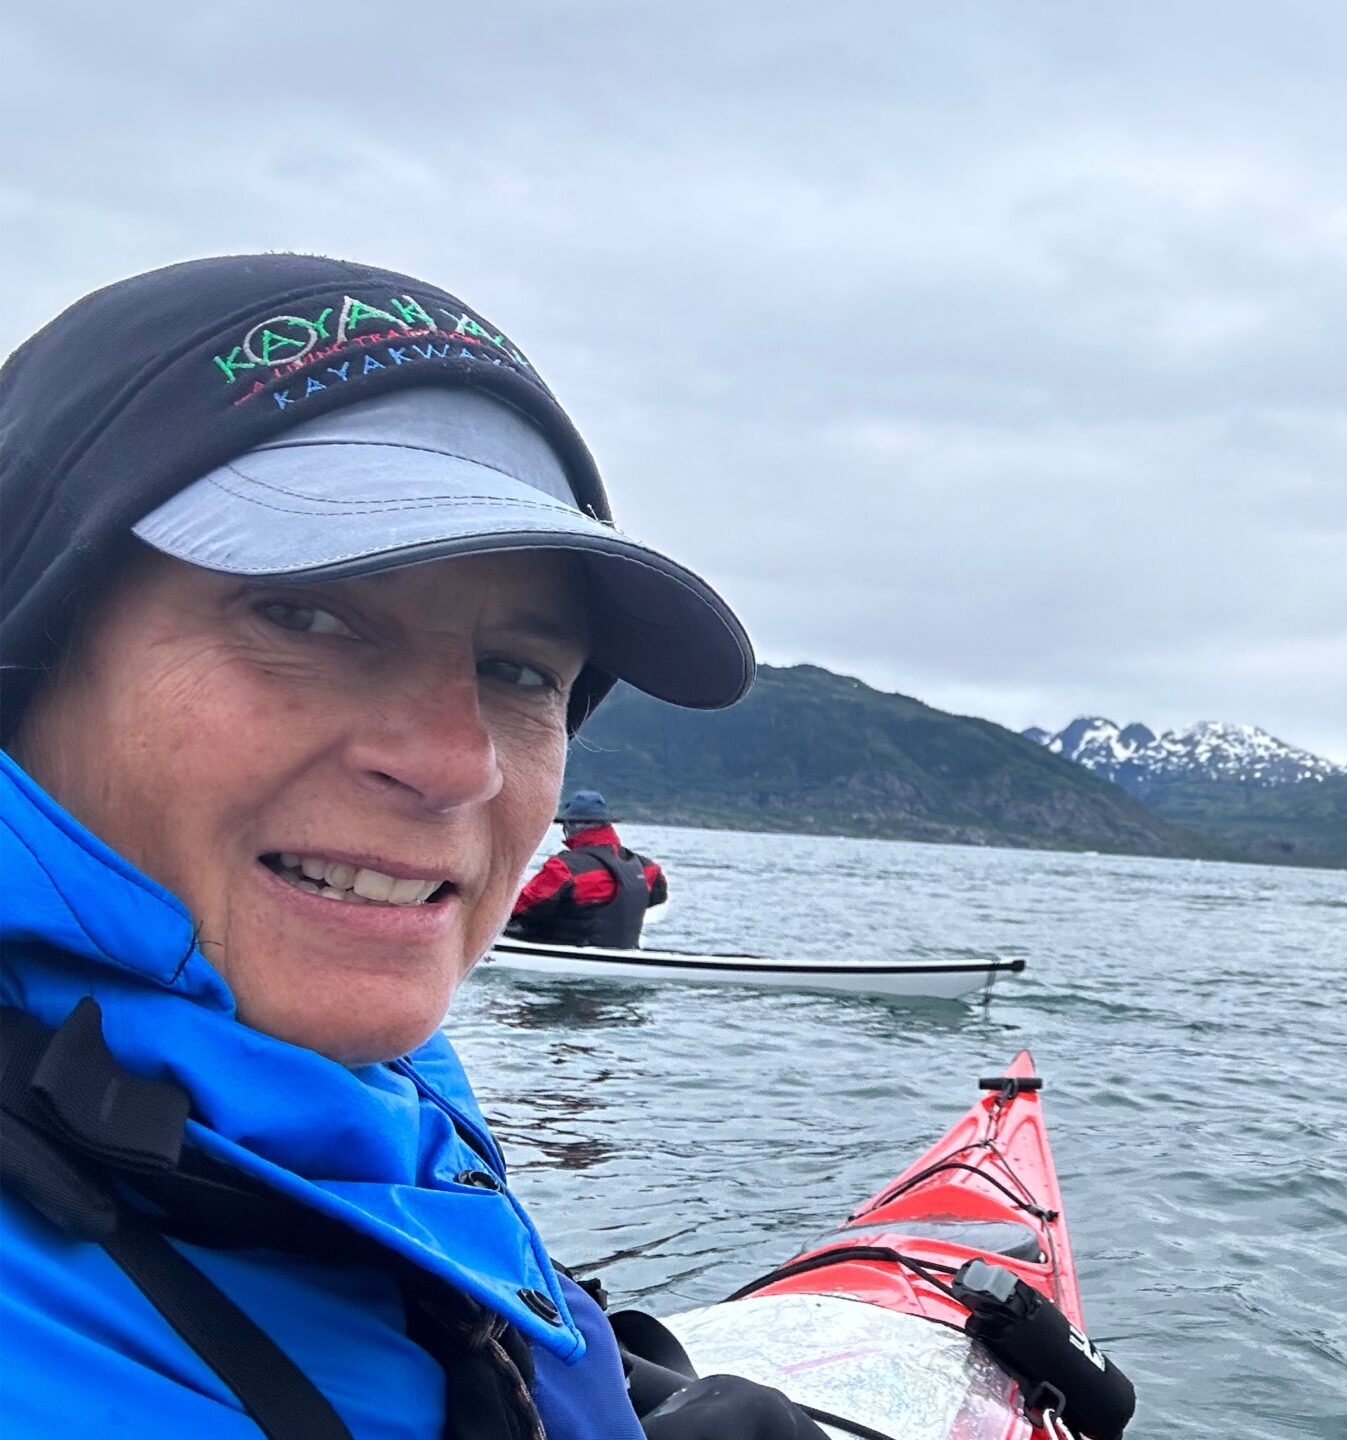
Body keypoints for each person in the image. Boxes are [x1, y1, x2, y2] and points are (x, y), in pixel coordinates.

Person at [0, 255, 817, 1438]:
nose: (455, 762)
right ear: (28, 654)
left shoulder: (379, 1067)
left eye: (518, 671)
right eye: (306, 613)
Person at [510, 791, 668, 950]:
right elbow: (658, 897)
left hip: (565, 953)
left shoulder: (563, 868)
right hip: (626, 951)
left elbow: (521, 907)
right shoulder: (649, 868)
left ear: (571, 826)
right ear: (607, 825)